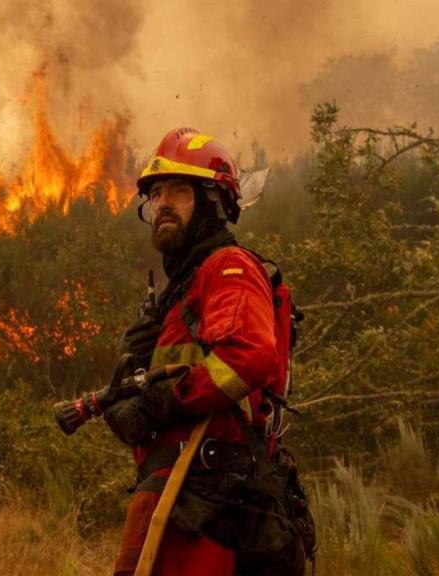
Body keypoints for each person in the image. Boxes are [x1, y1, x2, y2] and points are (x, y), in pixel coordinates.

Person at [104, 127, 279, 575]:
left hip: (209, 500)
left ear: (213, 203)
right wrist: (130, 390)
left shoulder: (227, 265)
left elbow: (248, 355)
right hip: (175, 493)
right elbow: (167, 388)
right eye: (156, 193)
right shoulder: (182, 292)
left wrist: (161, 401)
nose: (162, 202)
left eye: (179, 190)